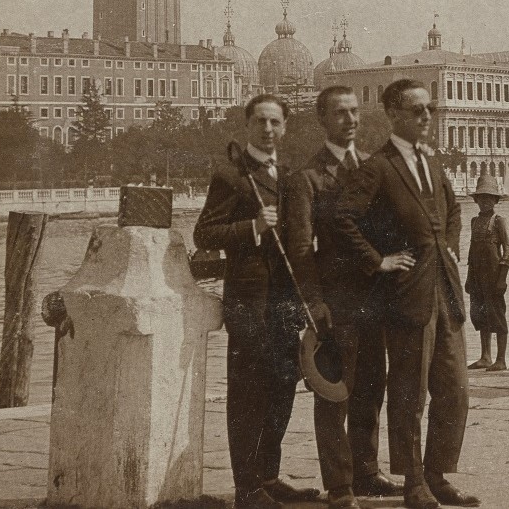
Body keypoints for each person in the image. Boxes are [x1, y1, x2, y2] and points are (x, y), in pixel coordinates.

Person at [334, 79, 479, 509]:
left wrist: (450, 247)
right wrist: (379, 261)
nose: (426, 117)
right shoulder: (377, 167)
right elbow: (343, 219)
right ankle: (414, 481)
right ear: (395, 115)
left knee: (455, 389)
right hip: (405, 295)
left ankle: (437, 475)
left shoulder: (431, 163)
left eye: (428, 109)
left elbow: (453, 210)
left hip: (445, 291)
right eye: (417, 111)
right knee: (409, 393)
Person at [193, 94, 325, 509]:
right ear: (248, 126)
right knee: (249, 394)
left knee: (283, 388)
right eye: (260, 122)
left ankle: (269, 476)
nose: (268, 130)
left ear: (285, 128)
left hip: (285, 299)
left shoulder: (289, 176)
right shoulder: (231, 176)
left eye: (275, 123)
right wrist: (251, 226)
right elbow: (205, 234)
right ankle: (246, 487)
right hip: (249, 301)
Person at [287, 86, 402, 509]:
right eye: (340, 113)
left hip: (376, 299)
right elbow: (300, 249)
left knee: (373, 386)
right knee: (336, 392)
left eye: (355, 112)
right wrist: (313, 303)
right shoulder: (308, 178)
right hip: (335, 303)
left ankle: (367, 473)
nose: (351, 120)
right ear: (322, 119)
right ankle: (339, 485)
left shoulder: (375, 167)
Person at [464, 173, 509, 371]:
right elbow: (470, 251)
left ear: (495, 200)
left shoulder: (498, 221)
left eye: (489, 198)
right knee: (479, 314)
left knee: (497, 315)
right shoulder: (474, 221)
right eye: (481, 198)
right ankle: (485, 356)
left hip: (494, 276)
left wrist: (502, 279)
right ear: (476, 200)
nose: (485, 202)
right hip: (477, 275)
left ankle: (501, 359)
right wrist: (469, 278)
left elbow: (508, 250)